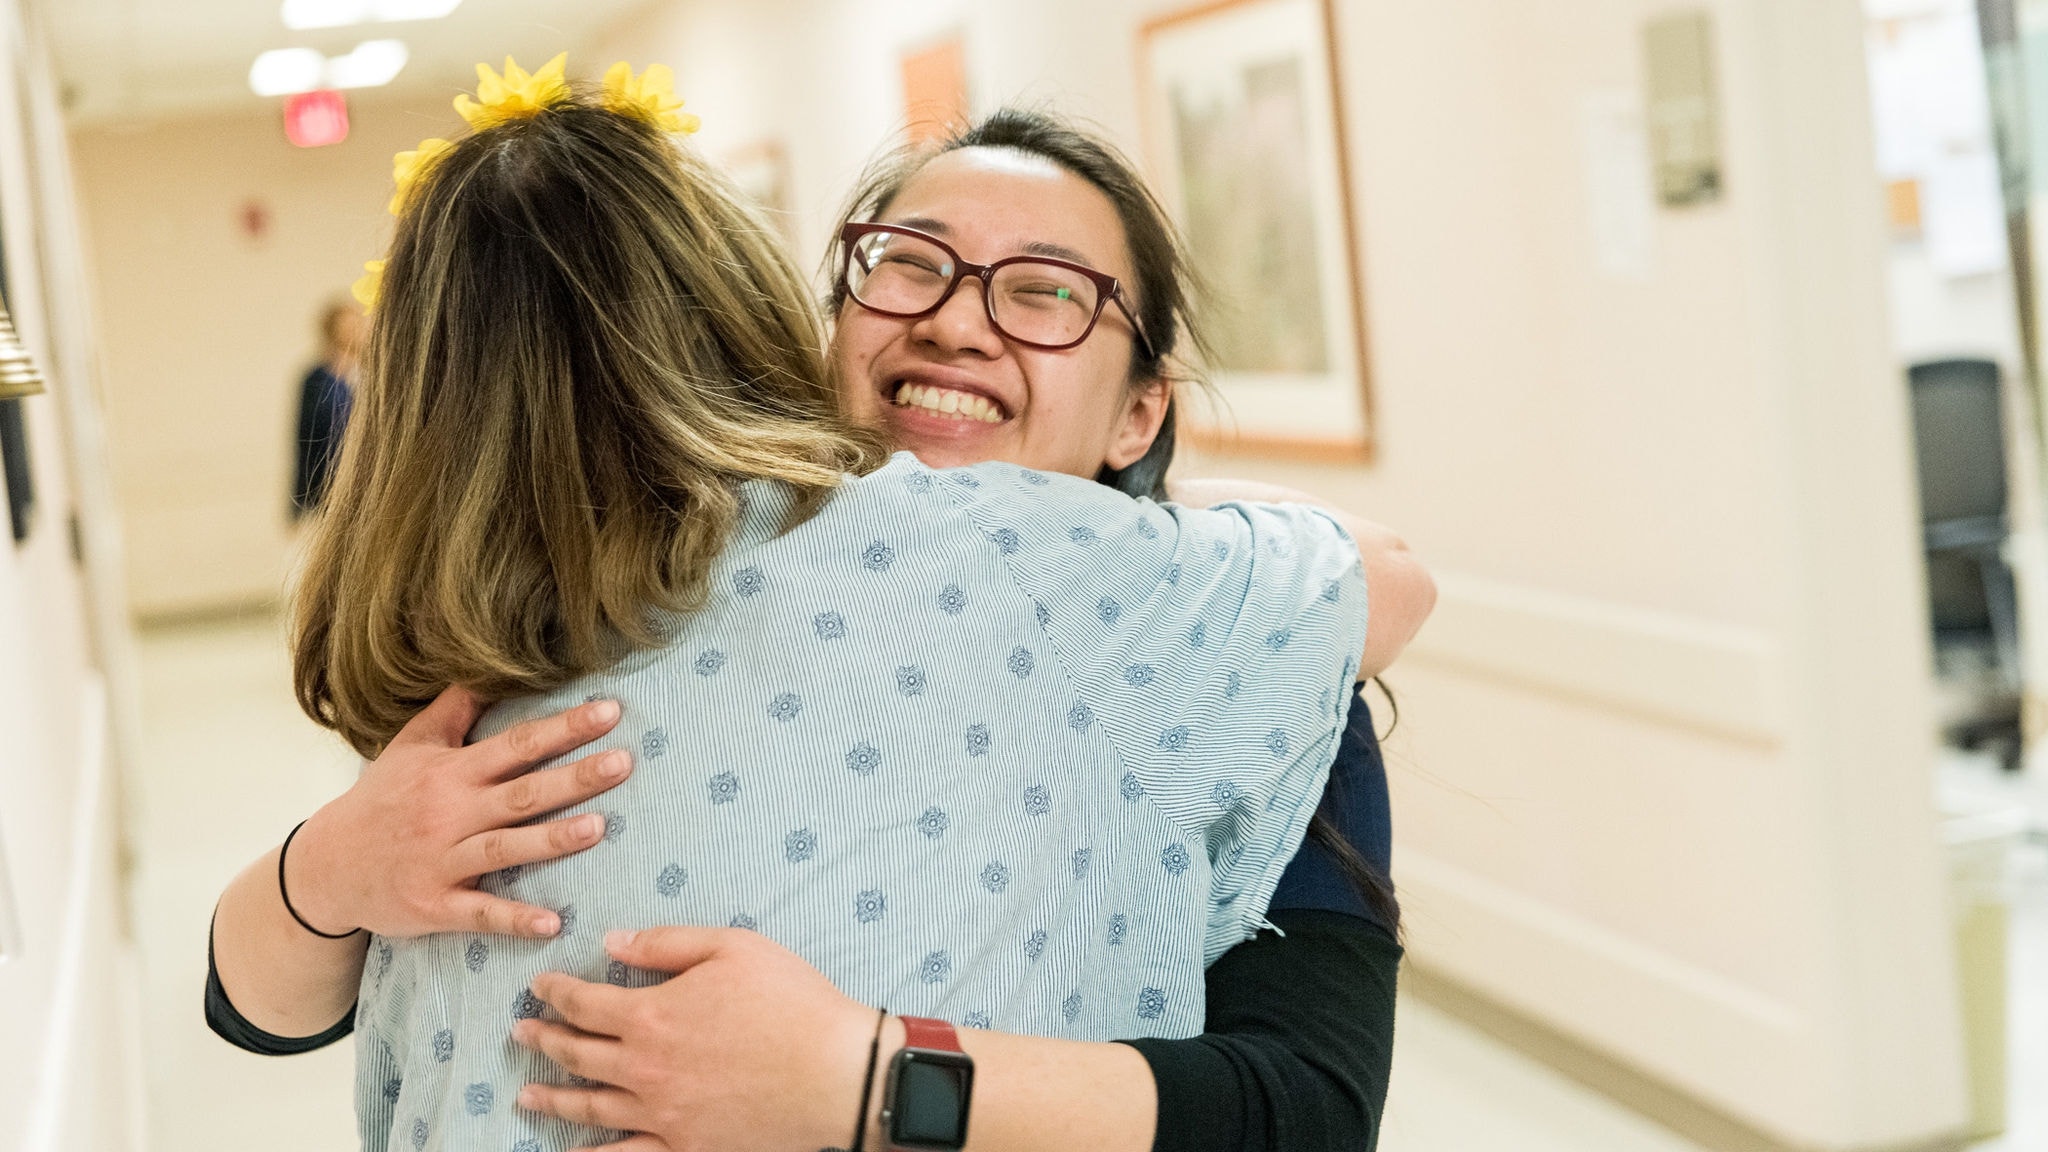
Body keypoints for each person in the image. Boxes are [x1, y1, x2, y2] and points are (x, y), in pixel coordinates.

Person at [209, 67, 1426, 1152]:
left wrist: (868, 1082)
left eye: (1046, 293)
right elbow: (260, 1009)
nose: (955, 318)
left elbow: (1303, 1113)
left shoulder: (1240, 669)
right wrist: (328, 868)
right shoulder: (608, 598)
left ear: (1137, 414)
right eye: (911, 261)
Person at [290, 300, 362, 519]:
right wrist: (299, 500)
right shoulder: (317, 380)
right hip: (326, 489)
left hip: (363, 488)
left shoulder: (371, 375)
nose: (356, 332)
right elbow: (306, 439)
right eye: (349, 327)